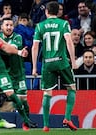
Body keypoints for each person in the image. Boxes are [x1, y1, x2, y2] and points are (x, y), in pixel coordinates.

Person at [31, 1, 78, 132]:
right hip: (62, 61)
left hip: (48, 63)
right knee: (71, 88)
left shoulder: (40, 26)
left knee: (47, 93)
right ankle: (67, 118)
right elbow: (69, 41)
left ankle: (46, 125)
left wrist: (34, 67)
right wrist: (73, 61)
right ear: (58, 12)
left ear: (46, 11)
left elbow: (35, 47)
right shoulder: (63, 24)